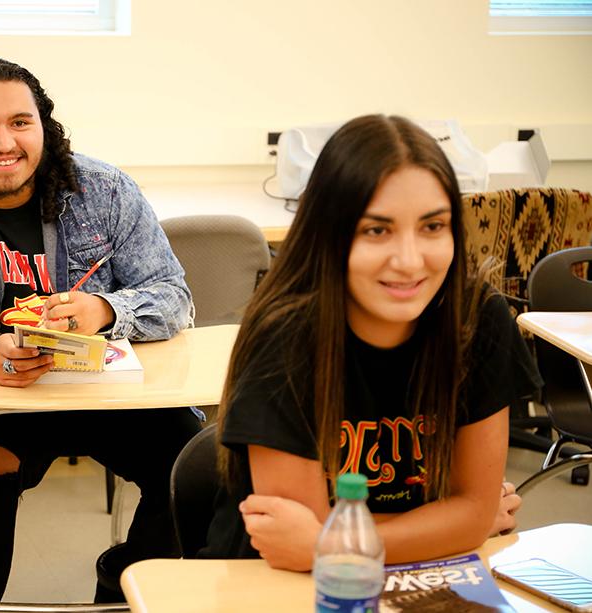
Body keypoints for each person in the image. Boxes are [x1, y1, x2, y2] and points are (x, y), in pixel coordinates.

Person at [0, 56, 200, 610]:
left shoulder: (103, 189)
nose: (3, 142)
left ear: (44, 127)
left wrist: (103, 308)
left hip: (109, 392)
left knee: (198, 465)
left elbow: (173, 296)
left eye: (19, 122)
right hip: (2, 398)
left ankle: (125, 579)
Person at [200, 114, 542, 569]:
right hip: (269, 583)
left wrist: (332, 543)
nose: (409, 260)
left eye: (433, 227)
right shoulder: (284, 337)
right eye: (376, 230)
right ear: (330, 234)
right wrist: (447, 524)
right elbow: (294, 549)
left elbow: (470, 517)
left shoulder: (477, 319)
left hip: (419, 575)